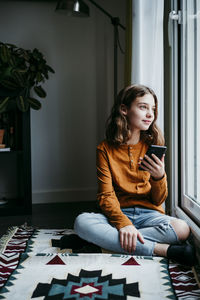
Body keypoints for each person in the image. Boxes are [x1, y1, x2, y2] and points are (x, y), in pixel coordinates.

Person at [56, 84, 196, 266]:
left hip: (149, 215)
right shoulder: (105, 149)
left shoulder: (154, 144)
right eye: (143, 107)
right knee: (82, 222)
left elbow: (158, 199)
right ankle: (162, 250)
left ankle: (99, 242)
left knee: (182, 228)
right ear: (124, 109)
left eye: (153, 109)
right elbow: (106, 196)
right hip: (115, 214)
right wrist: (124, 224)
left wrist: (159, 177)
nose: (150, 114)